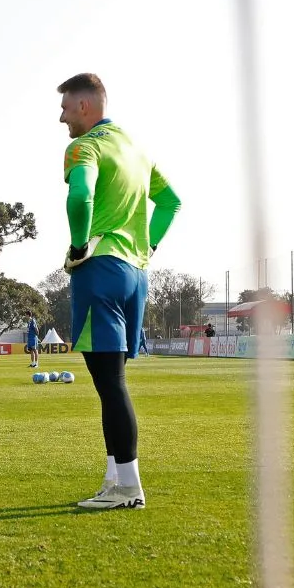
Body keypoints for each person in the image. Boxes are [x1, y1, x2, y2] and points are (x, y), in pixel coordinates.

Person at [56, 73, 181, 509]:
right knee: (111, 383)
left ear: (86, 107)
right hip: (136, 274)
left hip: (101, 269)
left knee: (111, 384)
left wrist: (78, 244)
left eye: (66, 108)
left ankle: (129, 487)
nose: (62, 118)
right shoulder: (135, 147)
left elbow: (80, 198)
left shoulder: (83, 146)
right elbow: (171, 203)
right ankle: (115, 478)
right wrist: (148, 246)